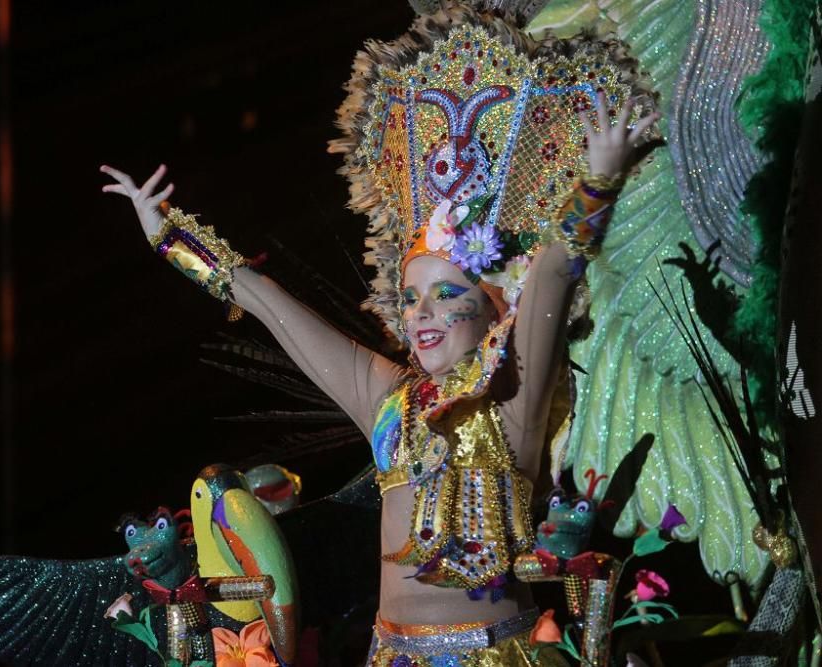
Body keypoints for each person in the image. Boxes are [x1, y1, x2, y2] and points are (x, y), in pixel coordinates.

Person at [101, 9, 658, 665]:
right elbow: (266, 303)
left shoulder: (512, 397)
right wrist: (166, 235)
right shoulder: (390, 400)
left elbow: (557, 270)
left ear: (494, 307)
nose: (420, 313)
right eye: (411, 296)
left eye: (447, 295)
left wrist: (599, 179)